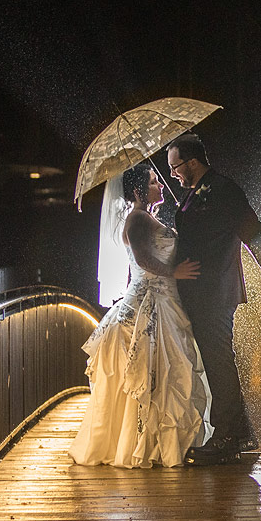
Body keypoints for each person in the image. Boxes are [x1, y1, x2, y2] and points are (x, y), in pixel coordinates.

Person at [69, 163, 208, 468]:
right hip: (149, 301)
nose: (160, 185)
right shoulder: (137, 219)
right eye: (155, 182)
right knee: (153, 374)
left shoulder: (148, 217)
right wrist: (174, 271)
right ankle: (145, 445)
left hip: (164, 299)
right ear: (137, 191)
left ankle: (156, 444)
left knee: (163, 374)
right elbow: (144, 260)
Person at [166, 133, 261, 465]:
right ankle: (239, 431)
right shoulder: (193, 193)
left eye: (176, 166)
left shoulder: (223, 189)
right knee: (216, 360)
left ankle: (225, 436)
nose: (173, 174)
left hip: (215, 289)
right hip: (199, 291)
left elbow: (253, 231)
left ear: (193, 161)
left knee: (218, 360)